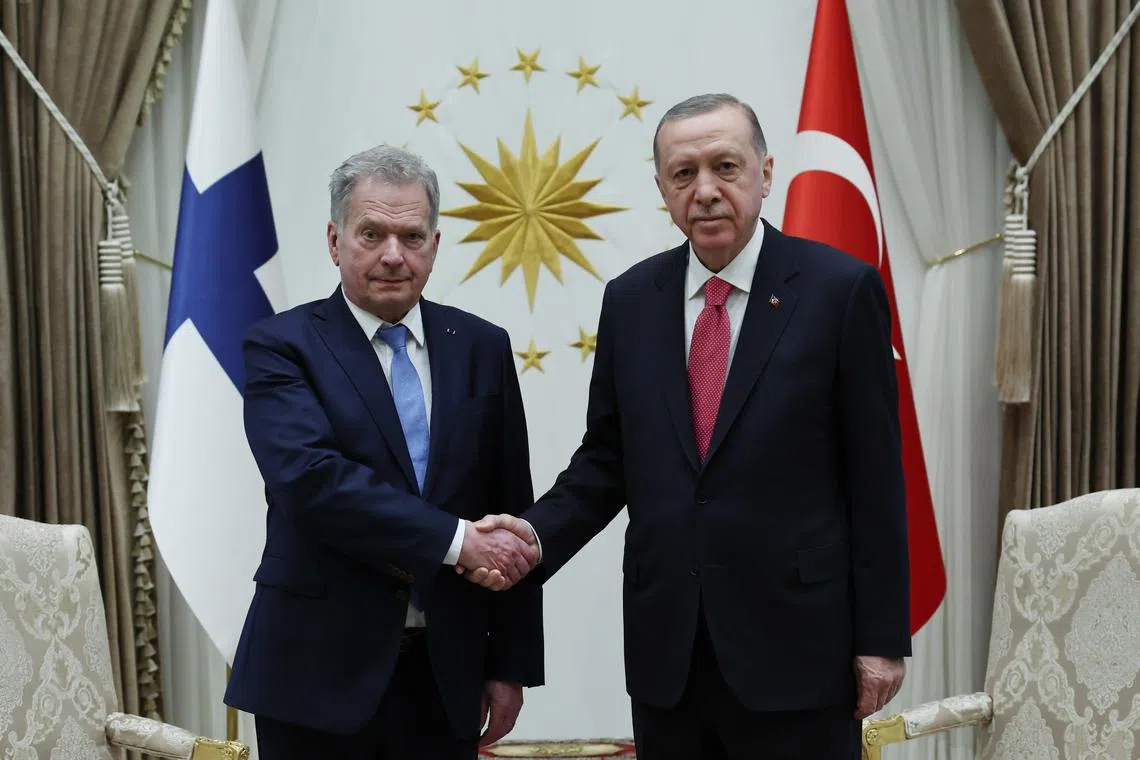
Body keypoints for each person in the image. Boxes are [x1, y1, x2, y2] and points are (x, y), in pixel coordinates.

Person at [464, 94, 911, 759]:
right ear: (661, 189)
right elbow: (607, 460)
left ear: (765, 172)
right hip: (668, 655)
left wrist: (881, 638)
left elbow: (876, 477)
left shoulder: (840, 292)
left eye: (725, 167)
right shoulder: (630, 301)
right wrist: (532, 534)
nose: (705, 191)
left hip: (799, 653)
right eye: (683, 174)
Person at [224, 145, 543, 760]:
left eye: (411, 236)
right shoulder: (281, 345)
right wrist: (458, 541)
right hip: (315, 676)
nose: (393, 255)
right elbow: (312, 480)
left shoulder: (482, 346)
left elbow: (511, 505)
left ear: (435, 244)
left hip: (446, 674)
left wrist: (510, 663)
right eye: (371, 233)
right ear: (335, 238)